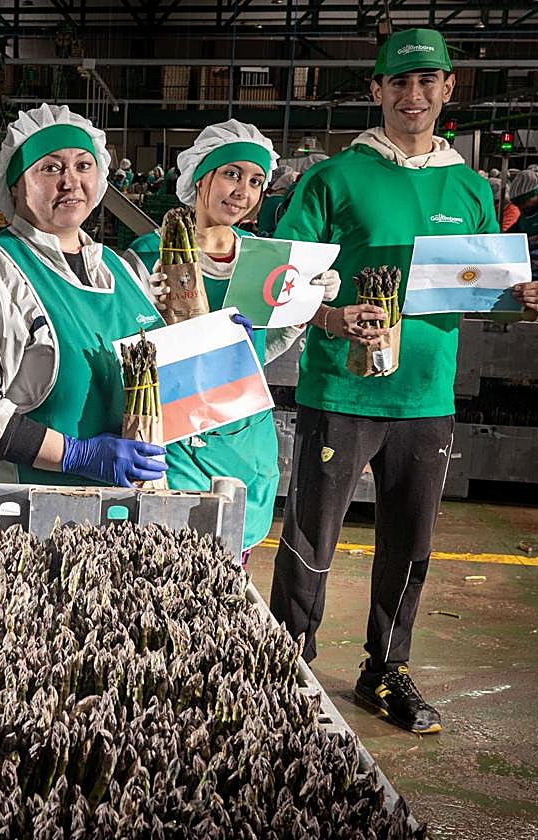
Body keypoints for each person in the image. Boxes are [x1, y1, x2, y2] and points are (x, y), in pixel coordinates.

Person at [267, 29, 538, 735]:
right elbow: (277, 284)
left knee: (411, 542)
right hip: (340, 392)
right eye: (399, 82)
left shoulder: (469, 186)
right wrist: (332, 318)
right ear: (376, 91)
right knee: (311, 538)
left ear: (449, 89)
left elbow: (482, 283)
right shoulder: (333, 179)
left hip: (426, 395)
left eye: (428, 82)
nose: (413, 95)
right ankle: (285, 670)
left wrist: (524, 294)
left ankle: (385, 670)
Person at [122, 121, 339, 554]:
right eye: (231, 174)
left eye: (256, 180)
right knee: (166, 562)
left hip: (242, 438)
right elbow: (125, 351)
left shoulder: (265, 257)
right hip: (172, 434)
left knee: (230, 573)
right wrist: (144, 309)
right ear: (201, 176)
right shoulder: (146, 255)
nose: (243, 190)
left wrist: (303, 308)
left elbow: (267, 348)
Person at [0, 103, 168, 488]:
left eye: (82, 166)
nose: (70, 181)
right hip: (24, 520)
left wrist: (218, 349)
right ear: (15, 185)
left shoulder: (119, 269)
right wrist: (77, 455)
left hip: (123, 517)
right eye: (51, 167)